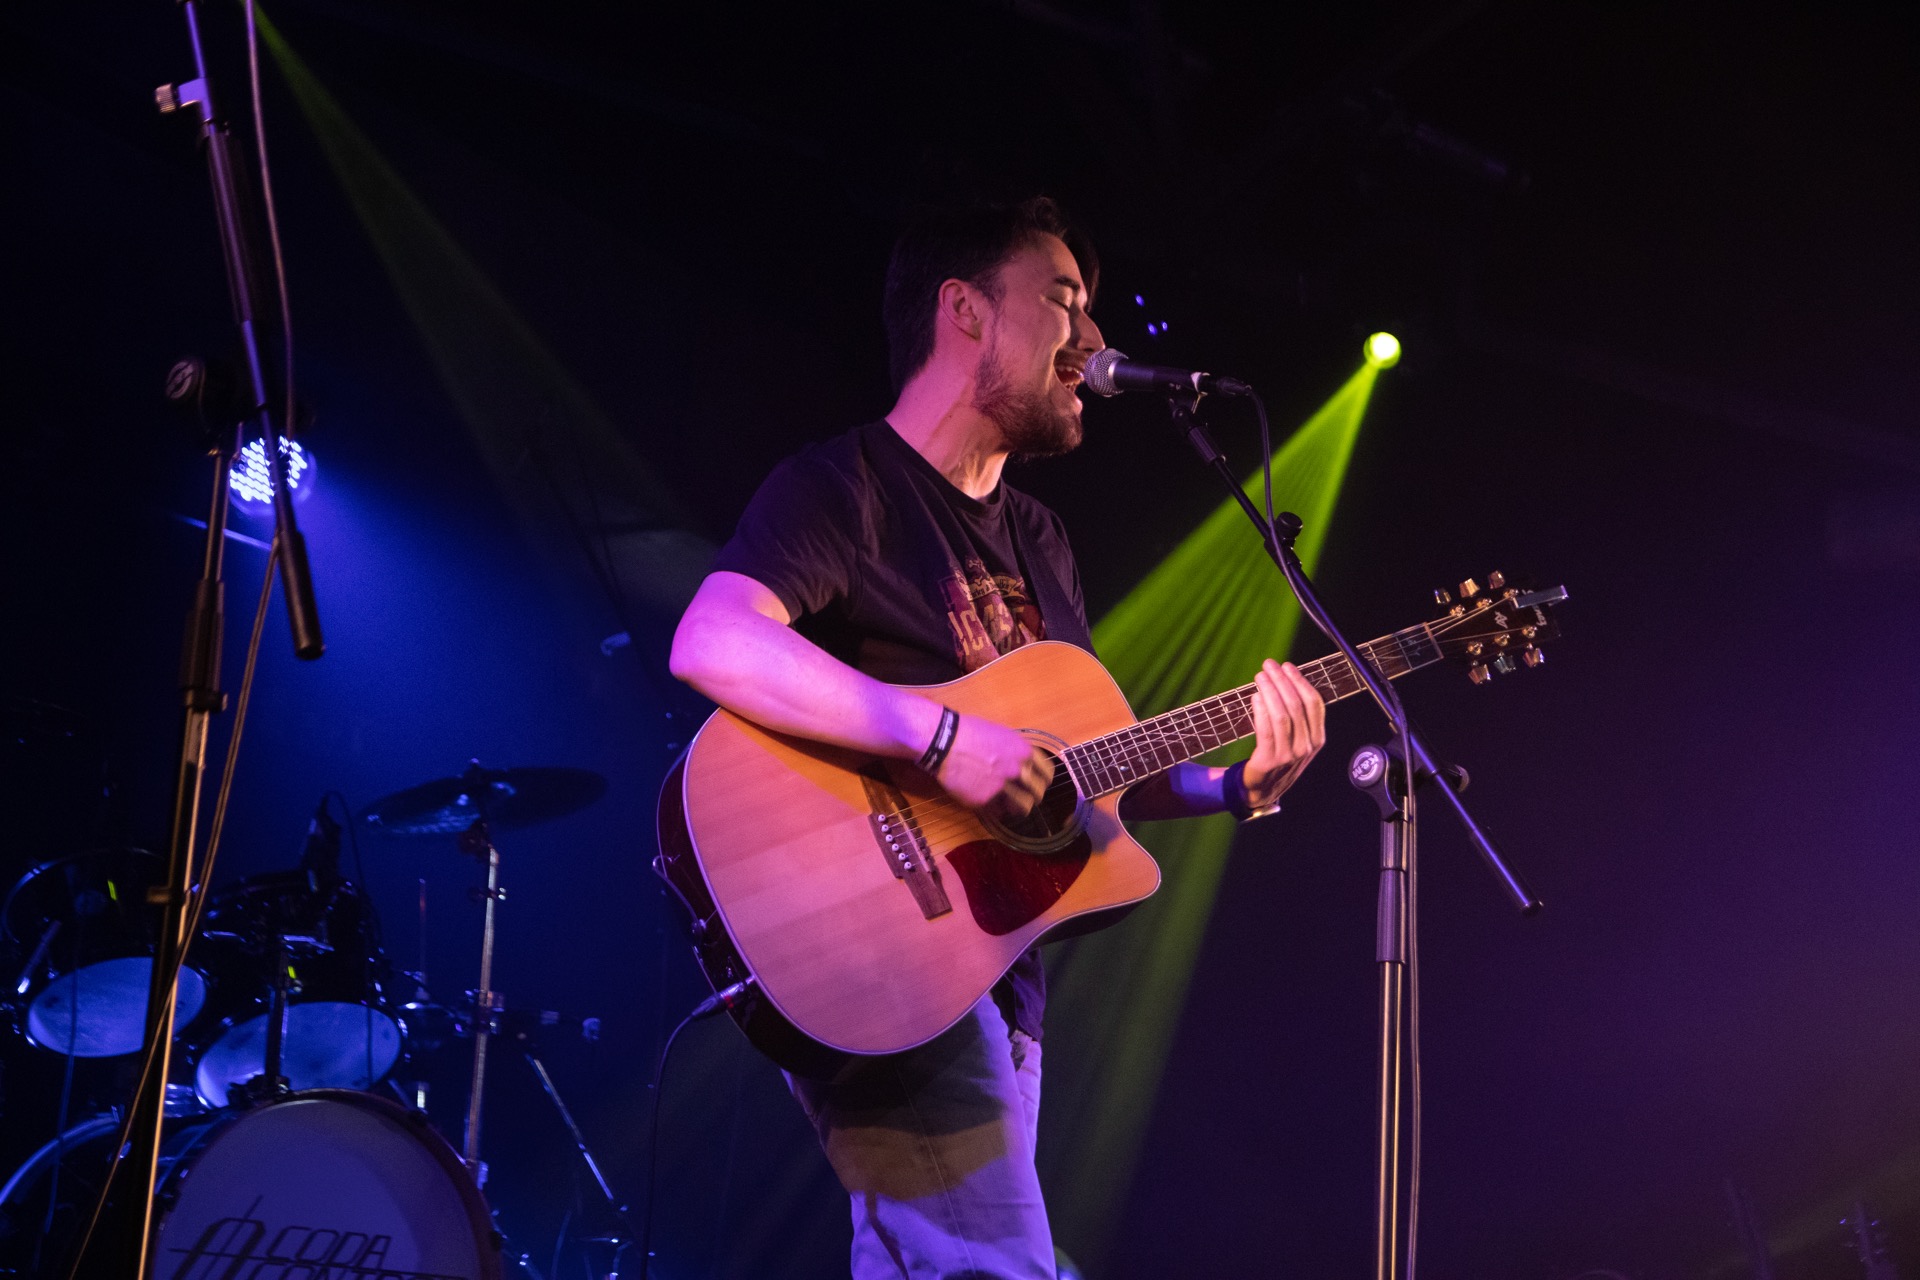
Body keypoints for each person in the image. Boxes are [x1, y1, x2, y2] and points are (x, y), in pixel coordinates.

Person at [668, 198, 1326, 1279]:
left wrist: (1236, 788)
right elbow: (713, 638)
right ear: (965, 310)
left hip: (995, 968)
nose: (1095, 338)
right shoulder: (846, 488)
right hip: (878, 941)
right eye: (1065, 301)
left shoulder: (1040, 539)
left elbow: (1082, 772)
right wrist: (940, 739)